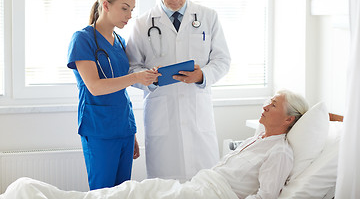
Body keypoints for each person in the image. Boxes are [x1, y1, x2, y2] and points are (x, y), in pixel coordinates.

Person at [1, 90, 309, 199]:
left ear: (289, 120)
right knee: (131, 191)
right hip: (197, 187)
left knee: (134, 193)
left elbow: (267, 196)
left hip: (208, 195)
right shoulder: (258, 138)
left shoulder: (279, 150)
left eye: (273, 104)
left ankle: (32, 194)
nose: (265, 107)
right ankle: (33, 193)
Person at [126, 0, 231, 181]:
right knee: (164, 187)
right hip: (162, 115)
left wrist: (202, 76)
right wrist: (150, 80)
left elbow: (222, 60)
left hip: (197, 113)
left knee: (205, 185)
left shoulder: (207, 17)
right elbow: (131, 67)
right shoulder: (143, 23)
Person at [66, 0, 160, 190]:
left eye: (132, 10)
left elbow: (120, 91)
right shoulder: (83, 39)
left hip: (123, 128)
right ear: (106, 5)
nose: (129, 15)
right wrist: (136, 77)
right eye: (124, 8)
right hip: (98, 128)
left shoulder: (119, 41)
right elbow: (95, 87)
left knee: (123, 192)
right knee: (102, 191)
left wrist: (131, 132)